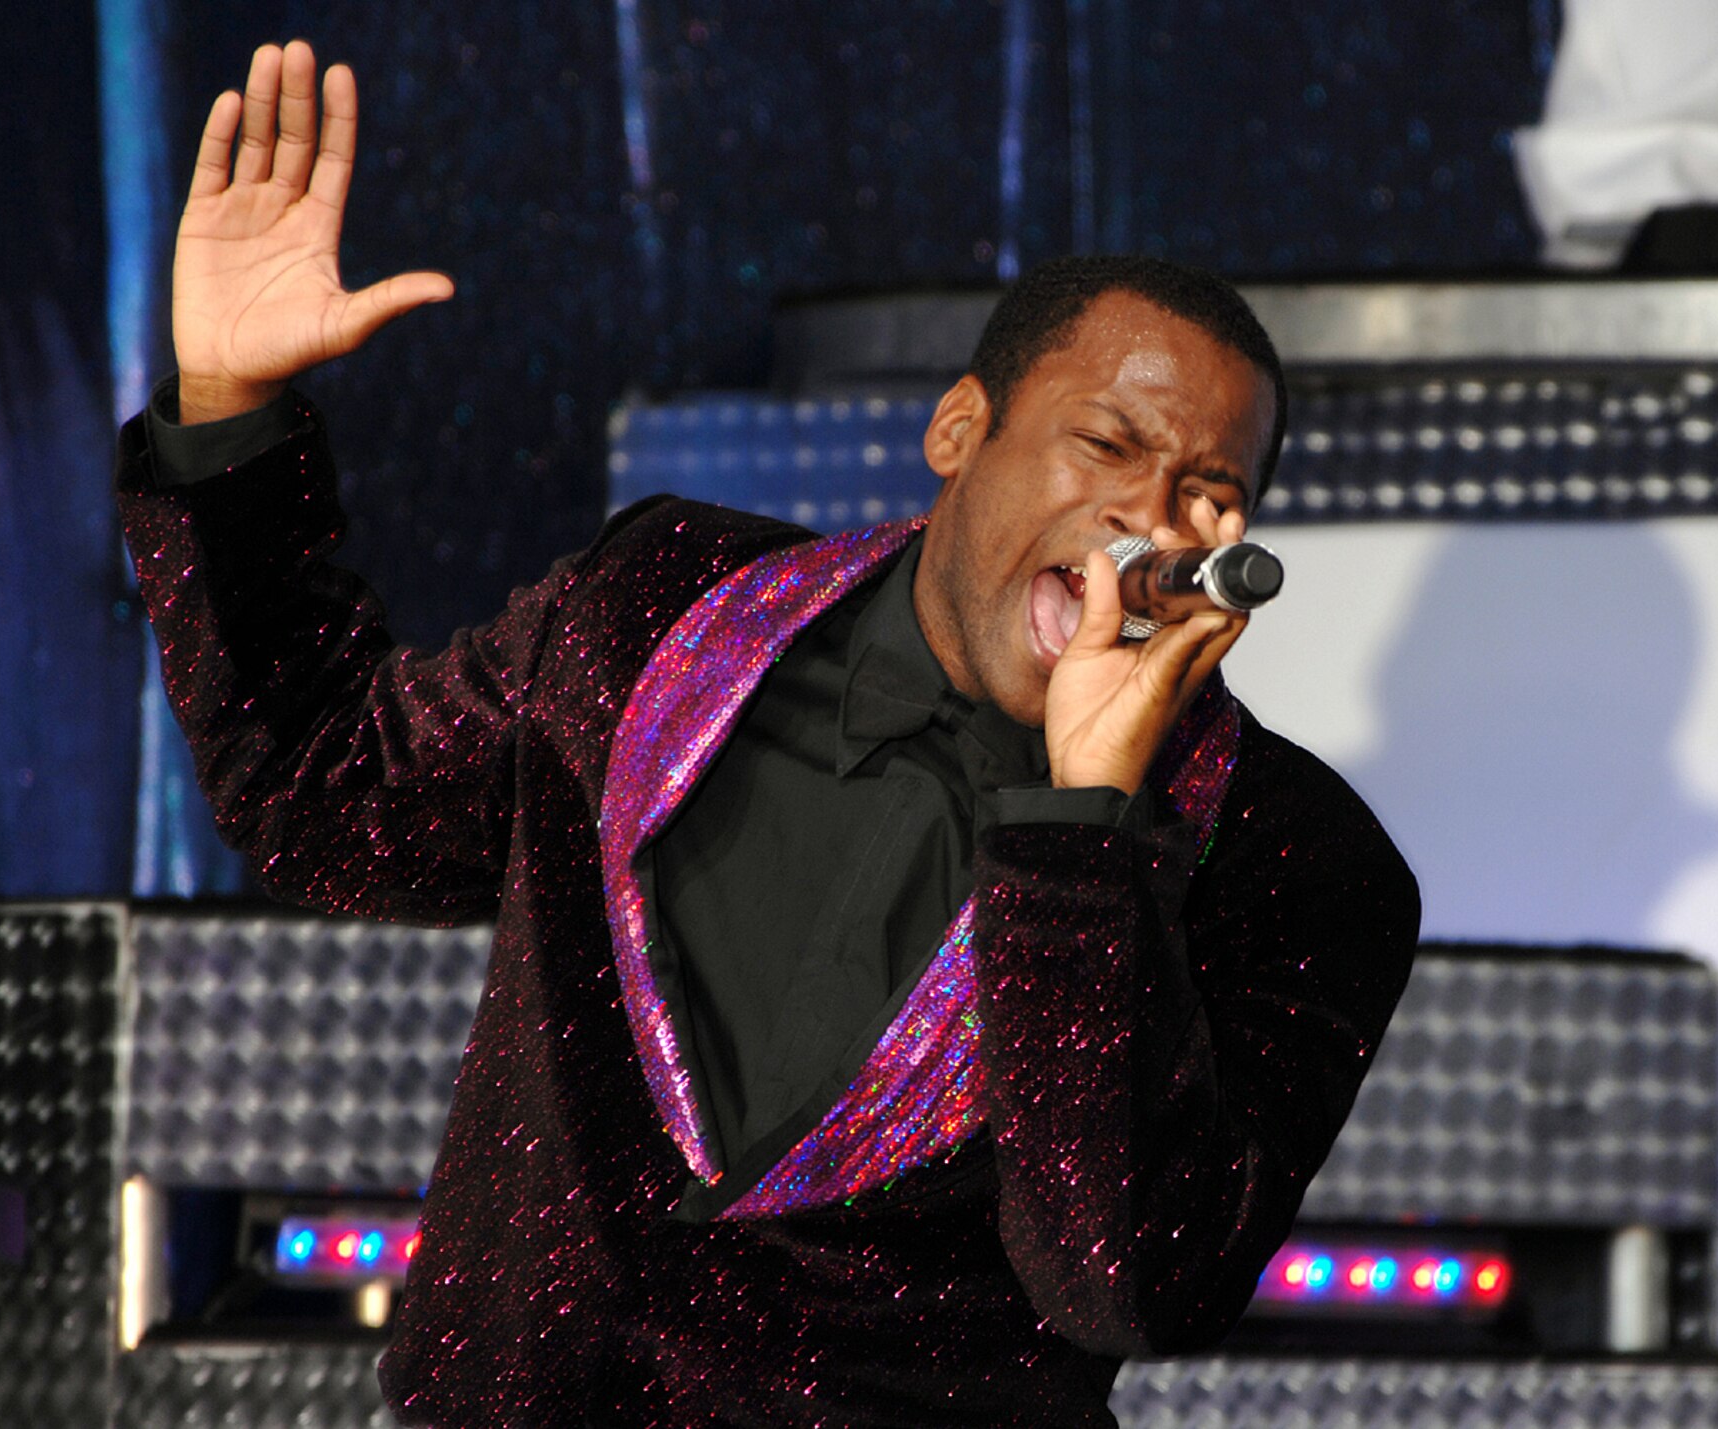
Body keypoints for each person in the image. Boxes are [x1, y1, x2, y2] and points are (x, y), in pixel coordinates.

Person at [119, 39, 1419, 1429]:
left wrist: (1084, 830)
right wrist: (227, 409)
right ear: (960, 431)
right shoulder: (663, 612)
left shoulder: (1294, 859)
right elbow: (328, 800)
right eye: (1107, 445)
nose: (1150, 516)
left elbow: (1125, 1282)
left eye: (1208, 490)